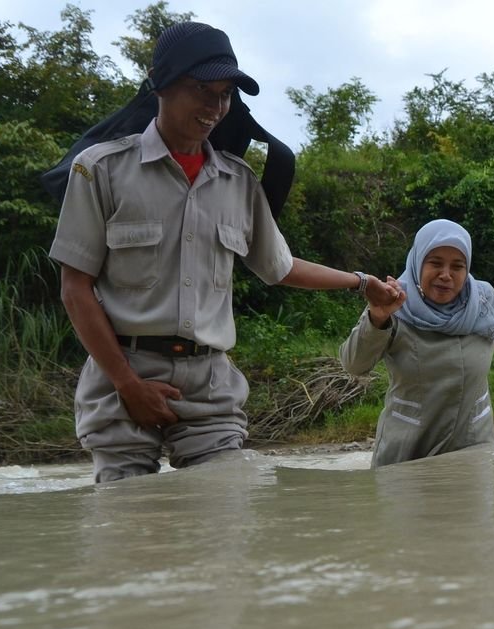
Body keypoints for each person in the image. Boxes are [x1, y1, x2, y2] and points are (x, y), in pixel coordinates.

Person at [48, 21, 400, 483]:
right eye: (202, 90)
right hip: (123, 376)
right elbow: (76, 288)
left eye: (225, 95)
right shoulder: (101, 170)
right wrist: (126, 383)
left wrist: (360, 282)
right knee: (127, 524)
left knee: (224, 513)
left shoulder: (239, 182)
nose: (216, 108)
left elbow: (280, 267)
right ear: (160, 82)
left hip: (210, 383)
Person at [340, 219, 494, 467]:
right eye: (435, 263)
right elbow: (354, 364)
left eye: (457, 266)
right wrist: (377, 318)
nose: (445, 275)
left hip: (472, 448)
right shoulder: (394, 302)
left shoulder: (483, 303)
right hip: (408, 451)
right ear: (418, 261)